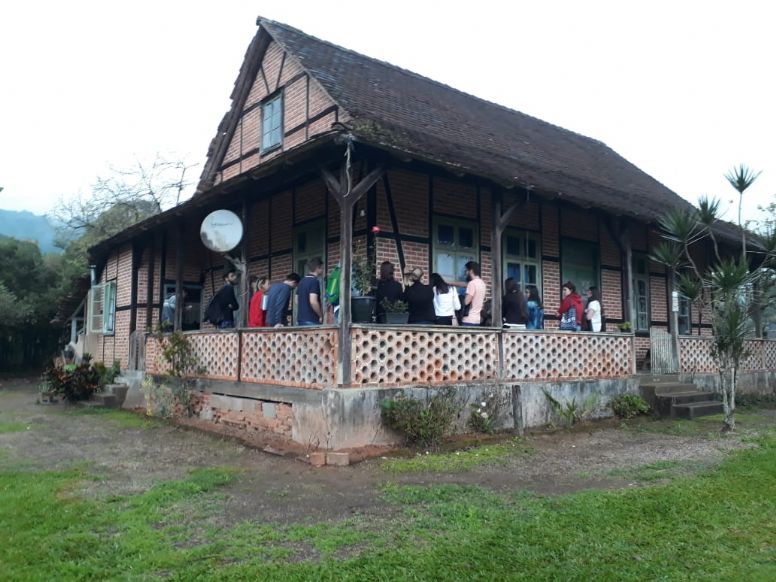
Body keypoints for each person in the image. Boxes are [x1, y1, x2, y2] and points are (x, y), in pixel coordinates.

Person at [297, 258, 324, 325]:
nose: (322, 270)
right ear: (318, 268)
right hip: (312, 319)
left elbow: (296, 300)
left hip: (301, 319)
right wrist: (320, 315)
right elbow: (313, 301)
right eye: (321, 268)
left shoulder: (301, 281)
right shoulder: (314, 281)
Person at [462, 261, 487, 327]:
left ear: (471, 271)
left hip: (469, 319)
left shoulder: (472, 283)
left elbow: (466, 302)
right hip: (477, 319)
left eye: (466, 270)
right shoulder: (482, 283)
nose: (465, 273)